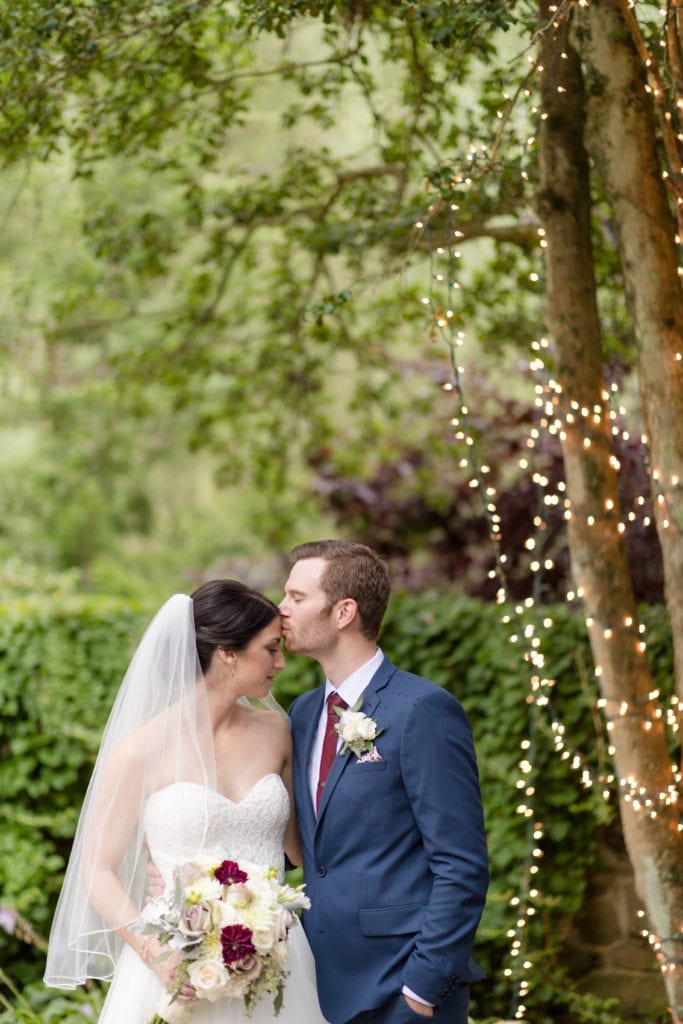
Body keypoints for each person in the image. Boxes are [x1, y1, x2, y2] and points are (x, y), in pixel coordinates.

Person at [43, 579, 330, 1024]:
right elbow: (97, 869)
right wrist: (156, 955)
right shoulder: (141, 750)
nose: (281, 663)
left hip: (277, 957)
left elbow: (299, 850)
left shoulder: (277, 731)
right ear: (227, 652)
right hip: (176, 959)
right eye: (271, 648)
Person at [279, 540, 489, 1024]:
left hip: (402, 988)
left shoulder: (424, 710)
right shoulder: (304, 713)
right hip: (316, 980)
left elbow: (461, 863)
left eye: (297, 597)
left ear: (344, 612)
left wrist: (423, 985)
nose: (281, 609)